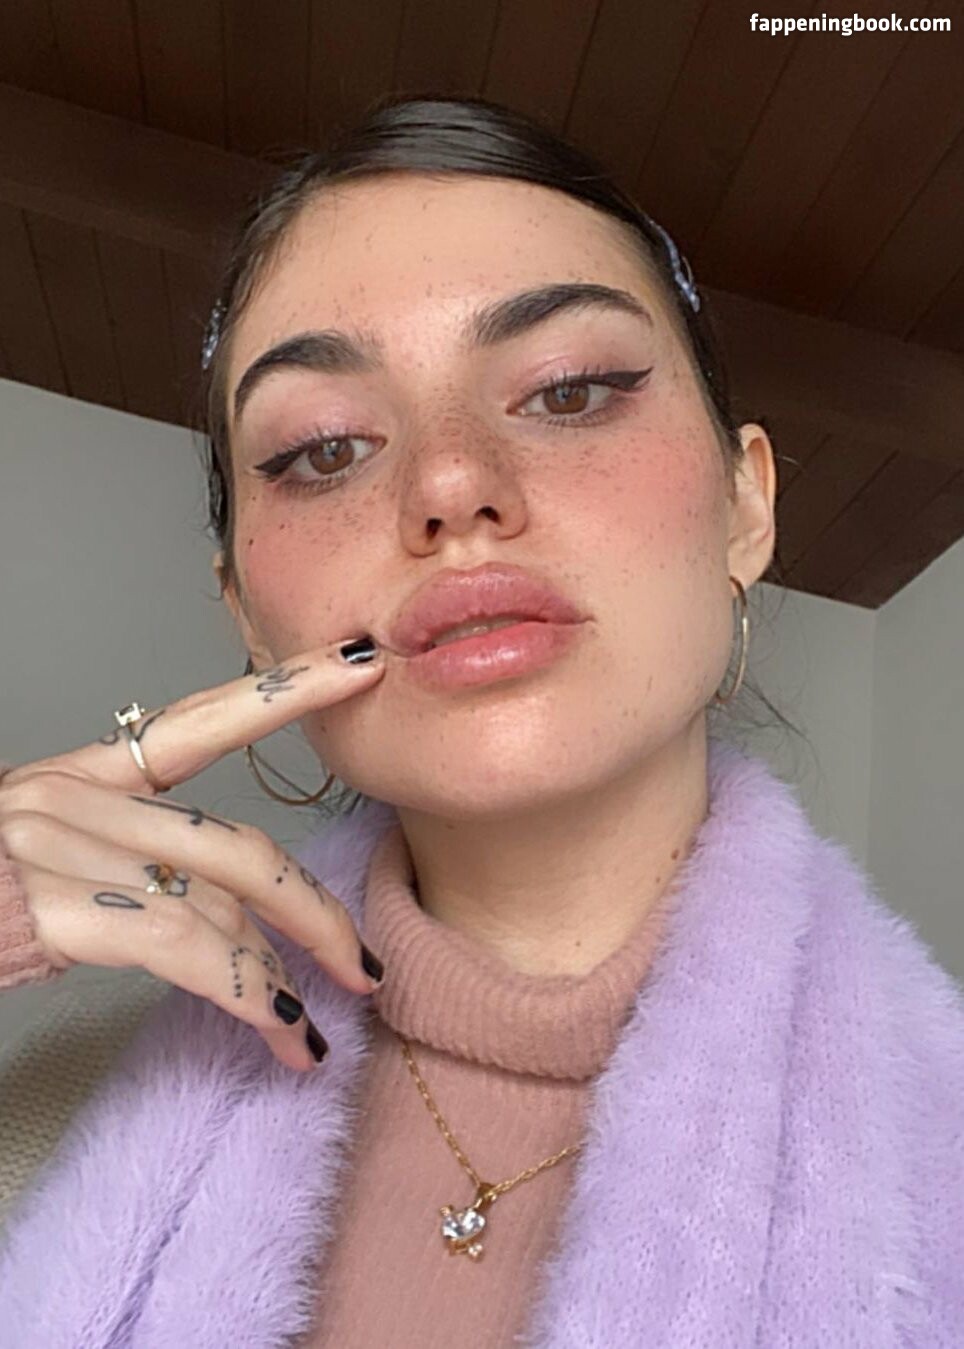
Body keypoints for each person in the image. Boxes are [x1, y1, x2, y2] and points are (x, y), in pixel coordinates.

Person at [0, 95, 961, 1349]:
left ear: (745, 506)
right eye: (323, 448)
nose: (450, 483)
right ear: (247, 611)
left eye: (570, 390)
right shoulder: (42, 1117)